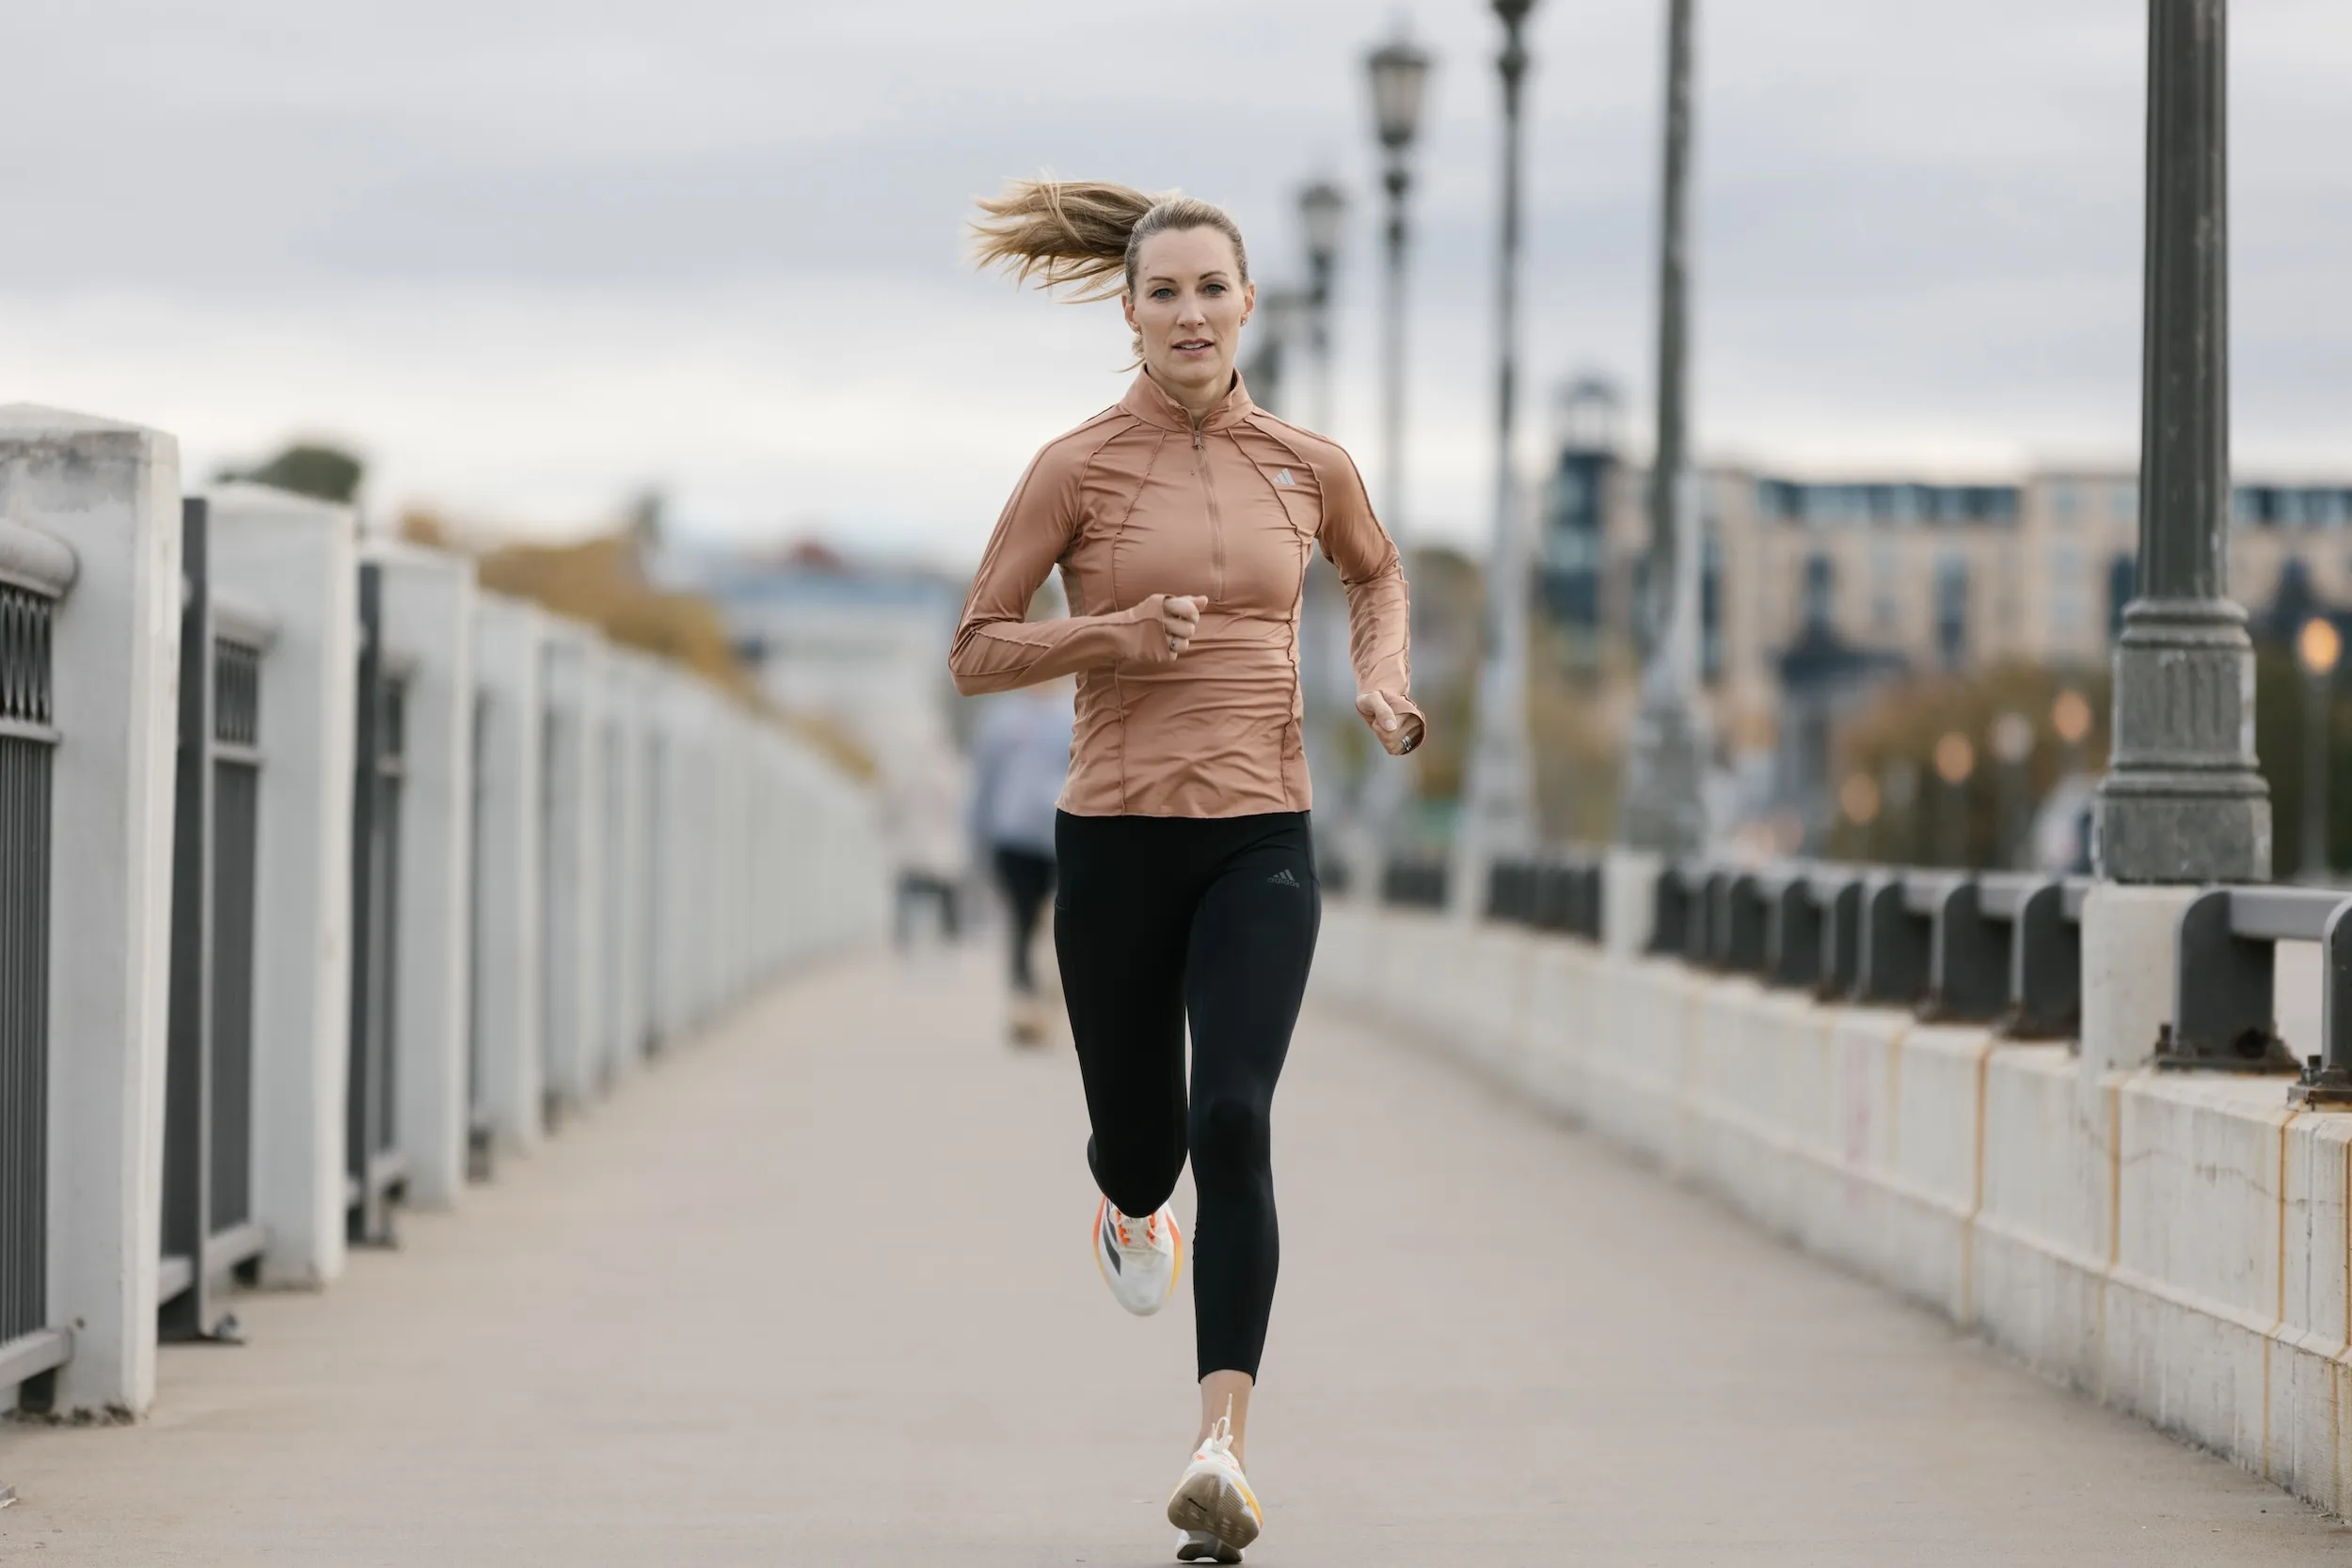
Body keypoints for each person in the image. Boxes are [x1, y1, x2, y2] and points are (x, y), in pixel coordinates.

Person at [950, 179, 1423, 1564]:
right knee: (1148, 1148)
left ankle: (1222, 1447)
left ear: (1248, 303)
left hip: (1260, 834)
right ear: (1132, 311)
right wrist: (1106, 638)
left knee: (1234, 1114)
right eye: (1165, 291)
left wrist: (1380, 687)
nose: (1192, 311)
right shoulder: (1075, 466)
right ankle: (1121, 1192)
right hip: (1111, 840)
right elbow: (977, 646)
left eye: (1213, 287)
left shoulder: (1308, 462)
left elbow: (1376, 575)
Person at [968, 682, 1076, 1043]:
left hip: (1063, 835)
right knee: (1022, 919)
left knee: (1061, 925)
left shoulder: (1072, 715)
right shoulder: (1002, 720)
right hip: (1012, 836)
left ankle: (1050, 1004)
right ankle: (1023, 1003)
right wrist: (977, 837)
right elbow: (985, 782)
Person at [879, 729, 969, 952]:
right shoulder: (953, 775)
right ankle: (951, 941)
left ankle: (903, 940)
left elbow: (888, 810)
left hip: (912, 850)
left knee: (905, 894)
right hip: (942, 851)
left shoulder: (905, 775)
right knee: (948, 897)